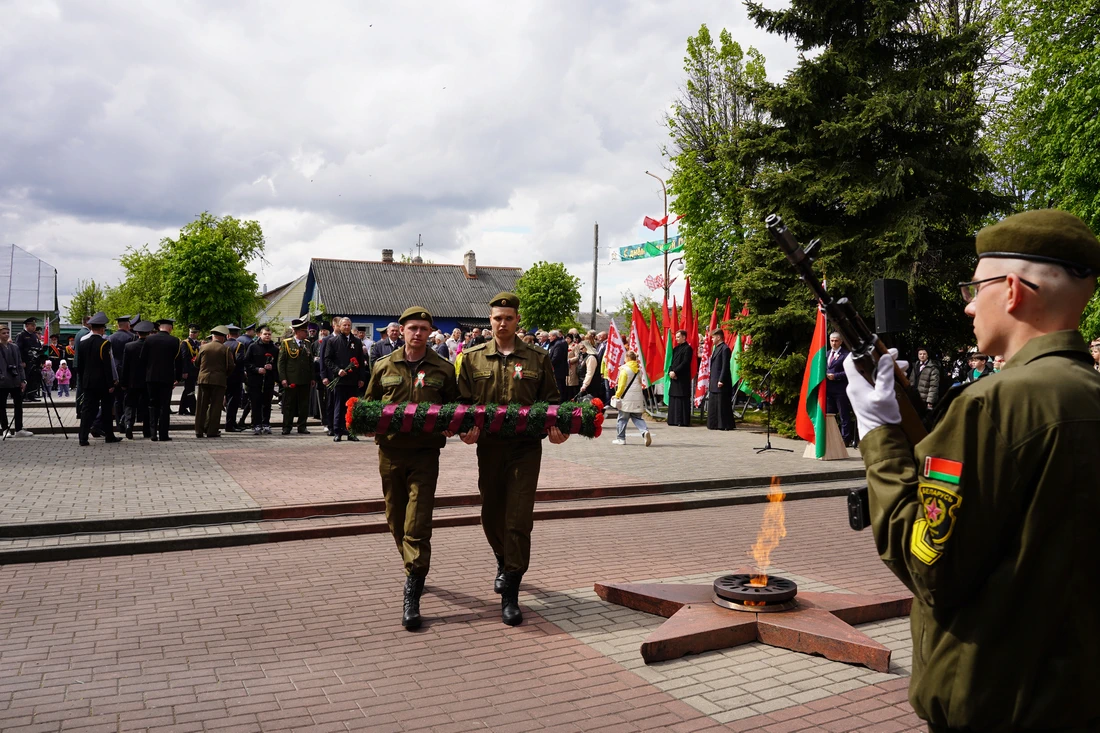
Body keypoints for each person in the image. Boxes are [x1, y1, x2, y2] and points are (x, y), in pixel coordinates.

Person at [845, 209, 1100, 730]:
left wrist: (879, 433)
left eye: (974, 288)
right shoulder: (1088, 393)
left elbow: (929, 565)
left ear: (1012, 291)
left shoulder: (992, 404)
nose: (967, 305)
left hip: (1000, 704)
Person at [456, 292, 565, 626]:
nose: (502, 324)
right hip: (489, 447)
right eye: (497, 318)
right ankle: (503, 560)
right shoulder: (472, 358)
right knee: (491, 513)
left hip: (525, 448)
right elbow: (462, 404)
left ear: (517, 320)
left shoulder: (537, 358)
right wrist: (463, 431)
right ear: (489, 321)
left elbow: (551, 401)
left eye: (508, 318)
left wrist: (558, 429)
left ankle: (511, 591)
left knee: (518, 517)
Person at [364, 306, 459, 629]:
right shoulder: (383, 365)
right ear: (401, 330)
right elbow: (370, 402)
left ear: (430, 332)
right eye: (412, 328)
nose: (417, 333)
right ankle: (412, 564)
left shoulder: (443, 368)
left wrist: (452, 423)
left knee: (417, 521)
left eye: (423, 328)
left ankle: (413, 589)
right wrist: (365, 423)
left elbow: (454, 405)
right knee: (395, 517)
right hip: (390, 452)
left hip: (425, 453)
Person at [75, 312, 122, 446]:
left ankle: (83, 437)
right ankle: (109, 436)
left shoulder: (82, 343)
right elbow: (107, 365)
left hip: (88, 382)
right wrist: (111, 383)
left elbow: (80, 365)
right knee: (106, 410)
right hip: (102, 383)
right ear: (101, 329)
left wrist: (83, 381)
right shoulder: (104, 344)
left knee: (87, 410)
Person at [324, 317, 365, 442]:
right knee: (339, 406)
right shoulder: (333, 341)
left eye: (348, 325)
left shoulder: (357, 342)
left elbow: (361, 361)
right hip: (339, 379)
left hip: (353, 380)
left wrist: (361, 378)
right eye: (344, 325)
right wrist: (337, 370)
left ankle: (351, 431)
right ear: (340, 326)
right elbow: (327, 359)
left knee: (351, 406)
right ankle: (337, 431)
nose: (346, 327)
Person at [194, 325, 235, 438]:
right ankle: (212, 431)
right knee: (215, 406)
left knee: (201, 406)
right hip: (219, 380)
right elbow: (231, 366)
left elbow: (196, 363)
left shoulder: (203, 347)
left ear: (213, 336)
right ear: (222, 337)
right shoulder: (225, 349)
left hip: (203, 379)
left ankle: (199, 431)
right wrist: (224, 374)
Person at [144, 318, 180, 442]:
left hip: (151, 377)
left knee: (152, 404)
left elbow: (143, 358)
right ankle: (163, 434)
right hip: (167, 378)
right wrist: (177, 378)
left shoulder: (149, 339)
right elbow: (178, 361)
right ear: (170, 328)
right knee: (164, 406)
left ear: (159, 327)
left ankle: (153, 433)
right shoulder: (175, 341)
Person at [277, 318, 313, 435]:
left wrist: (312, 377)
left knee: (304, 404)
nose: (306, 333)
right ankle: (287, 426)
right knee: (289, 404)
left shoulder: (307, 343)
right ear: (297, 332)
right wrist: (283, 378)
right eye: (304, 331)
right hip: (291, 378)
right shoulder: (287, 343)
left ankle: (302, 426)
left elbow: (310, 362)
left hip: (305, 379)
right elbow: (281, 362)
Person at [120, 321, 153, 439]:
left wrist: (123, 382)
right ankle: (147, 430)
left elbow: (125, 366)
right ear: (149, 333)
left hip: (132, 381)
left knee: (130, 405)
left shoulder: (129, 346)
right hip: (148, 381)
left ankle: (129, 425)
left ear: (137, 333)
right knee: (147, 406)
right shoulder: (152, 347)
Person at [611, 350, 651, 446]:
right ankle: (644, 431)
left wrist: (617, 395)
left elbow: (621, 385)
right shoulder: (638, 370)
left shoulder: (624, 369)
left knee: (622, 419)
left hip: (626, 398)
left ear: (628, 358)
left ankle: (621, 439)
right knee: (637, 417)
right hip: (637, 398)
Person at [246, 326, 279, 435]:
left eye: (269, 334)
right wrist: (256, 369)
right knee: (255, 403)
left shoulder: (274, 349)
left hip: (268, 380)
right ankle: (256, 424)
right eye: (265, 334)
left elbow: (278, 364)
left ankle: (266, 423)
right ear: (260, 334)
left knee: (267, 403)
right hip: (255, 380)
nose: (267, 336)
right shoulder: (253, 347)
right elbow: (247, 362)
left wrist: (272, 367)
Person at [824, 332, 854, 446]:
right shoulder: (827, 354)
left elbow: (850, 371)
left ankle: (845, 439)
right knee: (829, 415)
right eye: (832, 340)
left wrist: (836, 376)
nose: (834, 343)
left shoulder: (846, 355)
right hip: (828, 389)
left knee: (843, 415)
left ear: (841, 342)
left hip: (841, 389)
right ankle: (830, 438)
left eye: (836, 341)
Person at [0, 325, 31, 438]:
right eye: (3, 333)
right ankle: (5, 429)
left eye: (7, 332)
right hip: (2, 382)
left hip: (15, 380)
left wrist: (22, 379)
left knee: (18, 405)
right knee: (2, 406)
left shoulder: (14, 347)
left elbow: (19, 364)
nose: (6, 335)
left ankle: (19, 429)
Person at [707, 329, 735, 430]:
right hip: (714, 380)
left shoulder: (725, 349)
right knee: (714, 404)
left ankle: (724, 424)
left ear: (718, 337)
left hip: (721, 381)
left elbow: (725, 366)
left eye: (713, 337)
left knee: (722, 404)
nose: (712, 339)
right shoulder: (716, 348)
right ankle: (714, 424)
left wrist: (721, 380)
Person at [666, 330, 693, 426]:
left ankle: (681, 421)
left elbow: (685, 362)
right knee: (673, 397)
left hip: (682, 378)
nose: (676, 339)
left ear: (684, 337)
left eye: (678, 337)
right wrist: (670, 371)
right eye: (676, 337)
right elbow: (671, 362)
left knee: (681, 398)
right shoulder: (676, 349)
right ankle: (673, 420)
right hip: (674, 377)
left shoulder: (688, 348)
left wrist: (675, 372)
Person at [15, 317, 42, 402]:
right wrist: (21, 361)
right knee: (25, 378)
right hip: (25, 361)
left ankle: (31, 395)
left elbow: (38, 347)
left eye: (34, 325)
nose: (34, 327)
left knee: (33, 379)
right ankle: (24, 396)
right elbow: (18, 350)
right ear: (27, 326)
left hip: (33, 361)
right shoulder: (21, 335)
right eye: (32, 325)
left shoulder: (34, 335)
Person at [177, 324, 201, 416]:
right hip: (188, 370)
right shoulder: (185, 343)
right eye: (191, 332)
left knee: (188, 389)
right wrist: (184, 371)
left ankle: (182, 409)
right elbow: (183, 358)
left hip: (195, 370)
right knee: (190, 389)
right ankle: (193, 409)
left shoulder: (197, 343)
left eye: (194, 332)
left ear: (198, 333)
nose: (192, 334)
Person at [312, 325, 331, 435]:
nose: (323, 332)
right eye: (322, 330)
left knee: (330, 400)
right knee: (321, 400)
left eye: (325, 330)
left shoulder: (331, 341)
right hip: (319, 376)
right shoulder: (315, 344)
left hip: (330, 375)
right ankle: (324, 422)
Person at [546, 330, 568, 398]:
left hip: (558, 369)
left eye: (550, 336)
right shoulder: (560, 342)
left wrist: (548, 364)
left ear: (554, 336)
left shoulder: (558, 344)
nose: (549, 338)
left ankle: (560, 400)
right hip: (560, 369)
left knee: (559, 386)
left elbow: (556, 357)